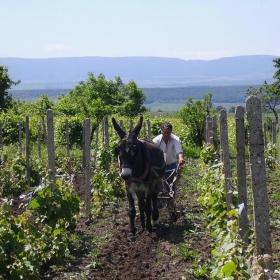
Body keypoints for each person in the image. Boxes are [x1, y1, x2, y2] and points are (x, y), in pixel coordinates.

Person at [152, 122, 185, 206]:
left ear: (171, 132)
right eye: (164, 132)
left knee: (171, 185)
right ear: (161, 131)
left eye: (168, 133)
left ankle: (170, 202)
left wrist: (180, 158)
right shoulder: (156, 141)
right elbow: (151, 152)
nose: (166, 135)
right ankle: (158, 202)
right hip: (159, 166)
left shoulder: (175, 139)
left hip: (171, 165)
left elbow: (179, 150)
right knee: (157, 184)